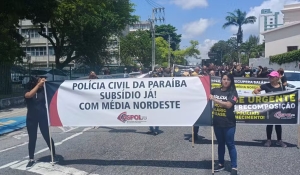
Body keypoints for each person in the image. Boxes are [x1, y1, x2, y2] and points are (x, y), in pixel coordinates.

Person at [24, 75, 58, 169]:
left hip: (42, 117)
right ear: (35, 82)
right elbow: (29, 95)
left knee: (47, 136)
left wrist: (46, 84)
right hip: (31, 118)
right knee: (32, 138)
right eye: (39, 80)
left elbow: (53, 94)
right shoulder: (28, 90)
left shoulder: (44, 91)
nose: (41, 82)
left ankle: (53, 155)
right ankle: (31, 159)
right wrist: (38, 85)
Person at [210, 72, 238, 175]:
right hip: (217, 123)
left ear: (231, 81)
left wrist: (214, 99)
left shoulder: (233, 92)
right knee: (220, 144)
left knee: (230, 144)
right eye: (224, 79)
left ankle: (234, 166)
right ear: (221, 80)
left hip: (229, 124)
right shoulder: (215, 90)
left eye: (228, 80)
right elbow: (203, 93)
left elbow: (228, 105)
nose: (226, 81)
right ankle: (221, 163)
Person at [253, 71, 287, 147]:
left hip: (278, 108)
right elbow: (255, 90)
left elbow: (287, 97)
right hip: (269, 109)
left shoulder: (282, 87)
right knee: (269, 124)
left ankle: (279, 140)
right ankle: (268, 140)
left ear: (277, 78)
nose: (270, 78)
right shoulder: (266, 86)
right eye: (269, 76)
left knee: (278, 124)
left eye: (272, 77)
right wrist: (261, 96)